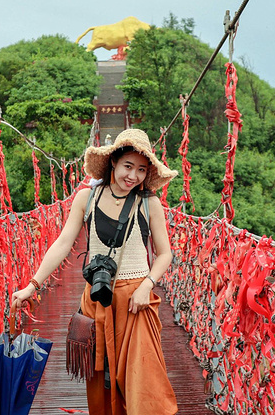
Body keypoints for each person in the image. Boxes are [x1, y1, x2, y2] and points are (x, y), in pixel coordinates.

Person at [11, 129, 179, 415]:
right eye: (128, 166)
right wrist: (32, 285)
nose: (133, 176)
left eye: (141, 170)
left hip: (136, 303)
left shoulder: (149, 203)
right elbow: (63, 243)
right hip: (97, 301)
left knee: (145, 385)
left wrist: (146, 286)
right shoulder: (86, 198)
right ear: (113, 162)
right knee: (101, 384)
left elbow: (165, 254)